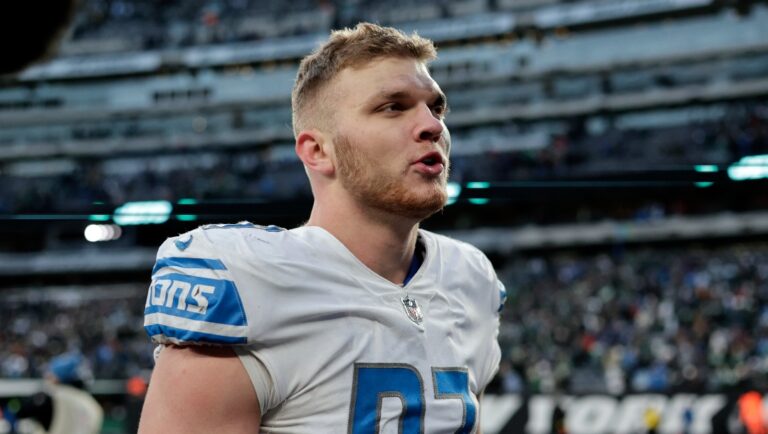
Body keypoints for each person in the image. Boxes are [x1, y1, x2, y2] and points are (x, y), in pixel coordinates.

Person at [139, 22, 505, 433]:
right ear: (317, 151)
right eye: (393, 107)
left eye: (435, 108)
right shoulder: (249, 284)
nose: (432, 126)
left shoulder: (471, 279)